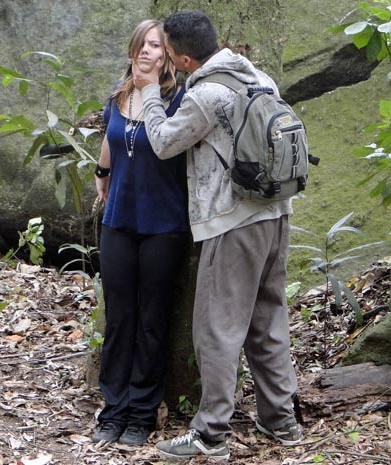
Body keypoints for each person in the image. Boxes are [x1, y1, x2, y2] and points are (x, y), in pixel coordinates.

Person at [133, 10, 303, 460]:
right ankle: (281, 422)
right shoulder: (258, 77)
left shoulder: (207, 93)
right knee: (268, 320)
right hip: (277, 212)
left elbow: (165, 141)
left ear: (184, 58)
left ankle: (210, 433)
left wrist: (149, 91)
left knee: (217, 330)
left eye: (168, 51)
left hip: (233, 220)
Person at [90, 19, 189, 447]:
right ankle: (112, 411)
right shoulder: (119, 93)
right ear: (133, 49)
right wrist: (102, 170)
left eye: (157, 46)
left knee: (151, 321)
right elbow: (113, 138)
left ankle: (141, 414)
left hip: (164, 225)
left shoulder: (179, 98)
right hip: (118, 222)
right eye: (143, 45)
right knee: (119, 318)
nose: (148, 52)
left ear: (168, 54)